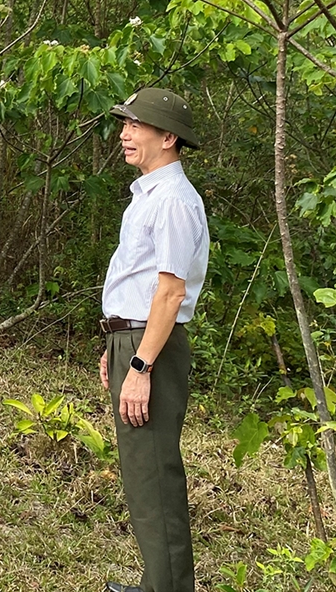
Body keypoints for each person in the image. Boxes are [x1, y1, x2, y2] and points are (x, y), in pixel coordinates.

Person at [99, 87, 209, 592]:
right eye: (124, 124)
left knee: (154, 475)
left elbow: (169, 292)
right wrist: (116, 347)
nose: (125, 133)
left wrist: (140, 368)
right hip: (136, 341)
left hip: (152, 348)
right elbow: (141, 283)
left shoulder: (173, 201)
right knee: (141, 473)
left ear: (168, 138)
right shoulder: (151, 195)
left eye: (136, 125)